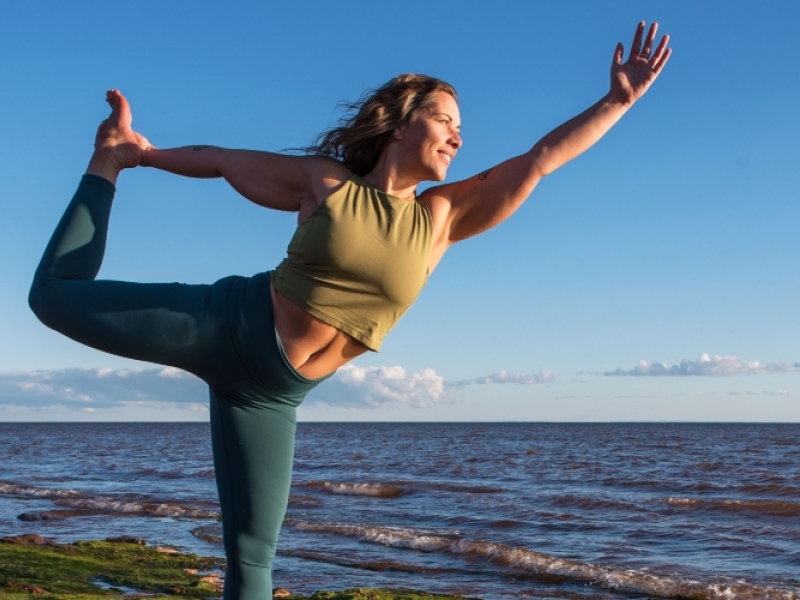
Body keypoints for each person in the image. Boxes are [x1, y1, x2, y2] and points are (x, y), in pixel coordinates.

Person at [29, 22, 670, 600]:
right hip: (227, 323)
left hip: (274, 395)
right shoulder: (325, 182)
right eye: (445, 117)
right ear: (401, 124)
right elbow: (223, 161)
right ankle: (101, 166)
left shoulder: (441, 217)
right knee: (50, 298)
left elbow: (541, 160)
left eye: (460, 124)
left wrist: (617, 100)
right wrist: (136, 155)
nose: (459, 132)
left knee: (253, 561)